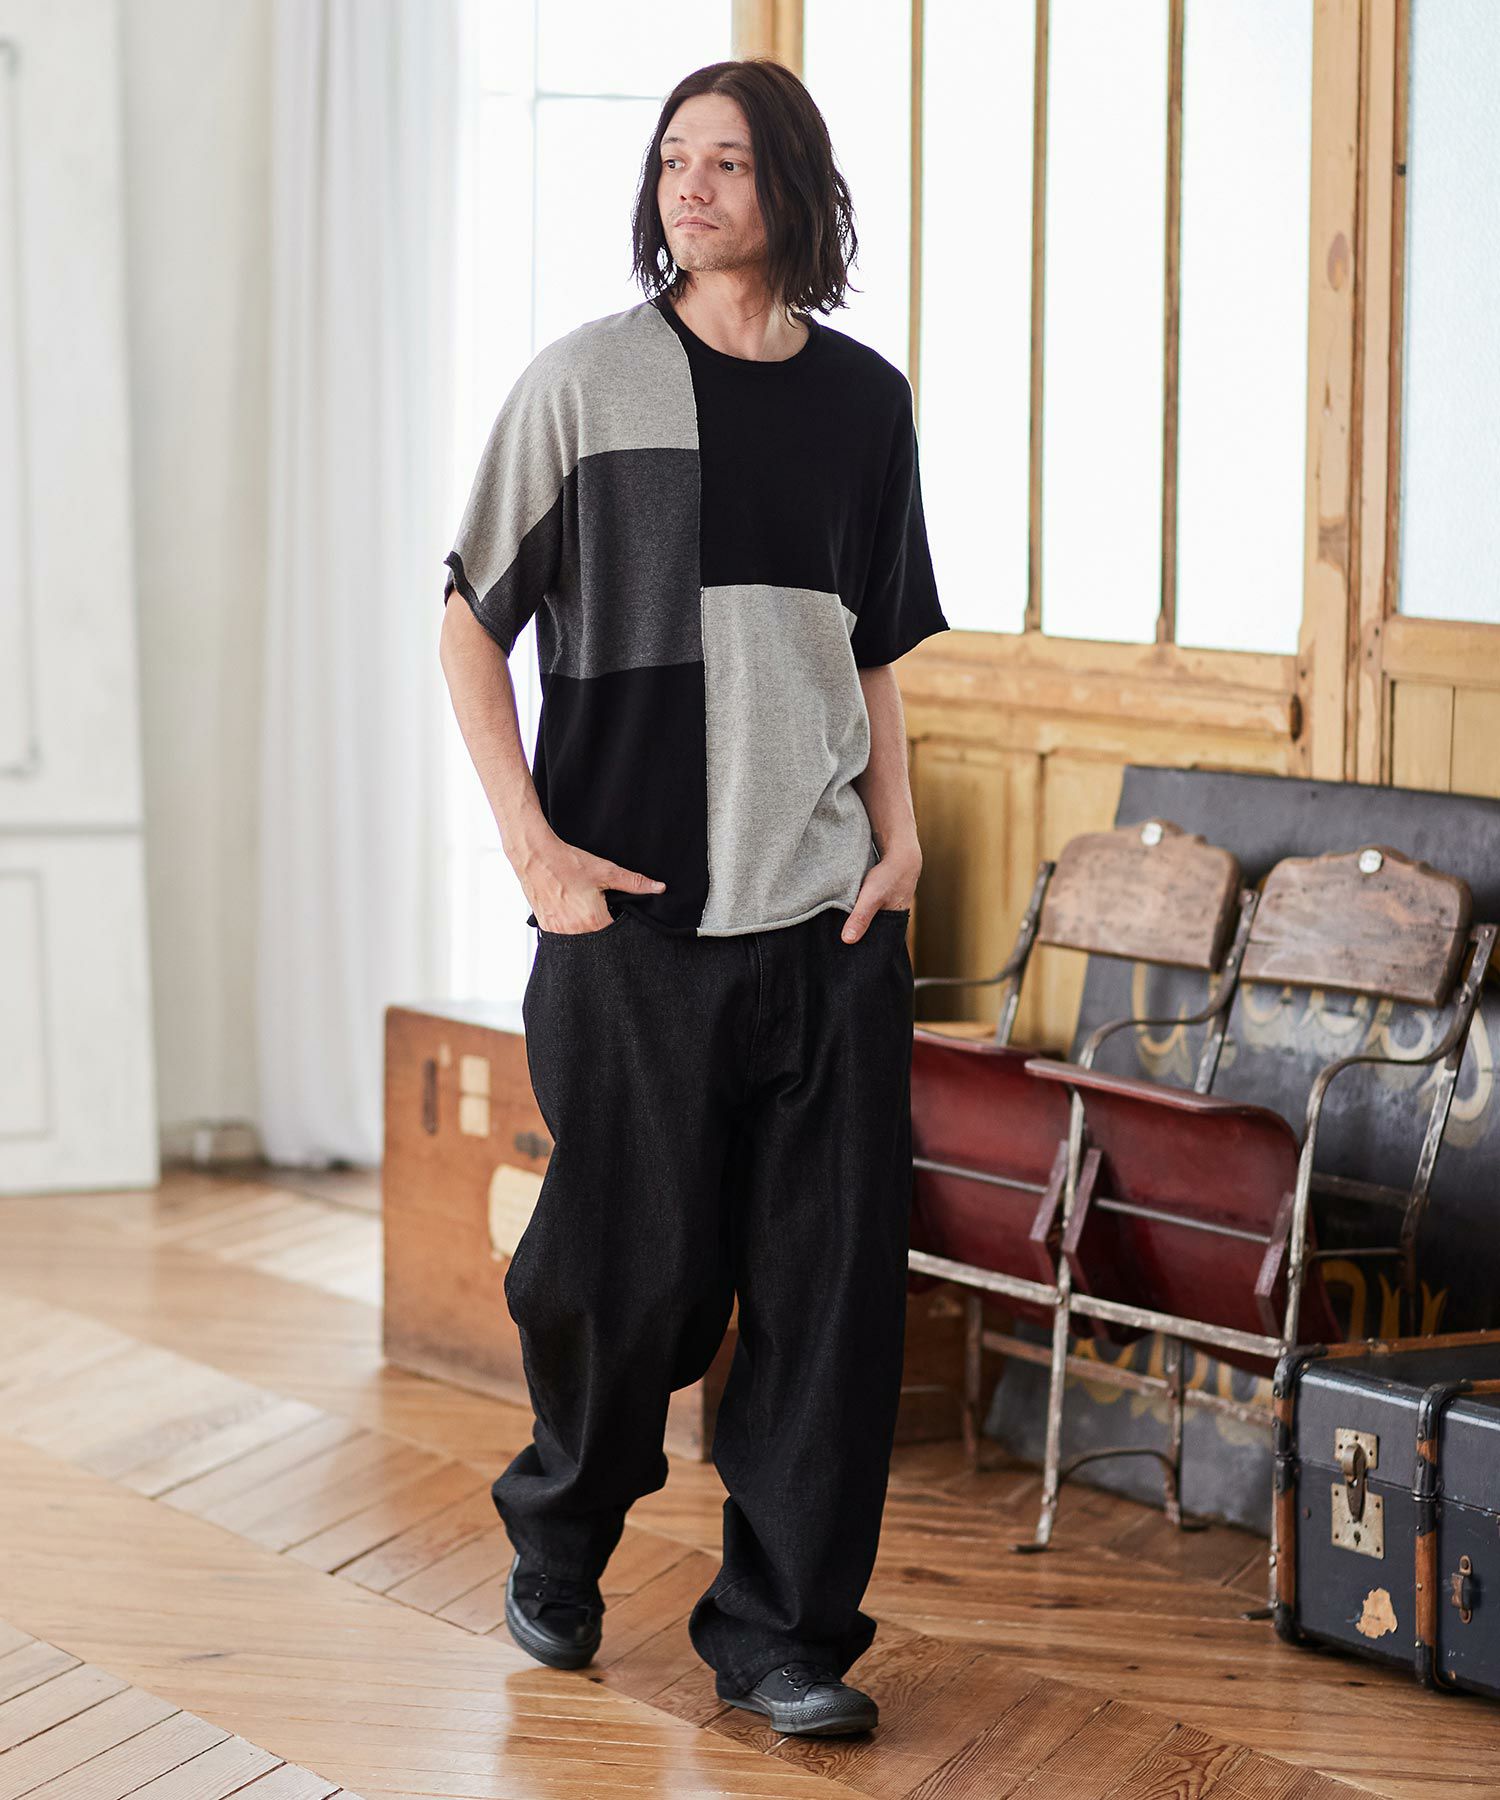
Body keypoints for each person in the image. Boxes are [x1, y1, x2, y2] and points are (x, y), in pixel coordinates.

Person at [438, 56, 949, 1739]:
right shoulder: (586, 384)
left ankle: (787, 1636)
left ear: (793, 187)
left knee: (826, 1297)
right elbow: (468, 623)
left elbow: (871, 650)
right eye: (673, 161)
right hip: (634, 925)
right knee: (624, 1276)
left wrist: (901, 839)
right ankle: (561, 1533)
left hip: (828, 923)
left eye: (726, 161)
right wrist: (535, 853)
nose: (692, 187)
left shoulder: (865, 405)